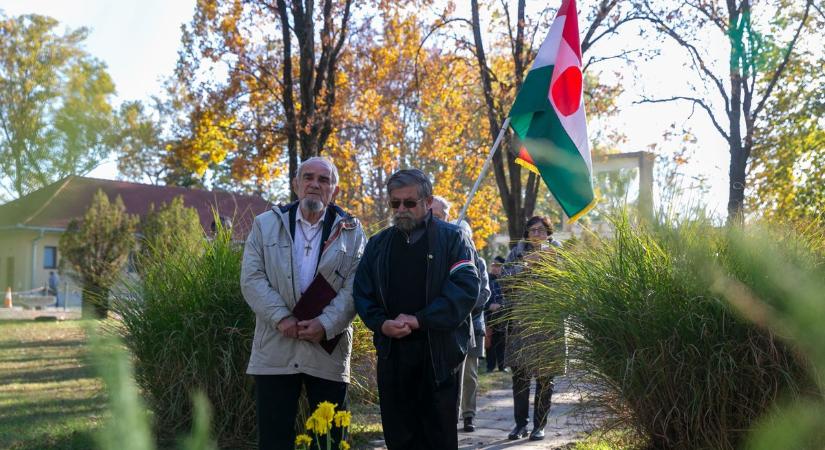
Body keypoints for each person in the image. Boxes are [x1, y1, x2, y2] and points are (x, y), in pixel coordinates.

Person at [240, 157, 366, 450]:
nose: (315, 184)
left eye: (324, 180)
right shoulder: (265, 224)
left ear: (334, 190)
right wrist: (282, 318)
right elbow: (251, 278)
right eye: (308, 177)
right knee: (274, 439)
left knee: (330, 439)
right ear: (296, 185)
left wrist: (326, 324)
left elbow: (356, 286)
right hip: (275, 346)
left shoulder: (353, 231)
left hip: (327, 349)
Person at [354, 169, 480, 449]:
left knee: (438, 440)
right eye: (395, 203)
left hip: (438, 359)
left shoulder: (454, 239)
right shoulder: (378, 244)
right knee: (399, 438)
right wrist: (380, 323)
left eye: (409, 203)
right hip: (393, 356)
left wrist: (420, 320)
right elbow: (362, 293)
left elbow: (465, 289)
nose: (401, 210)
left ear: (428, 201)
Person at [430, 196, 491, 433]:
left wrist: (459, 305)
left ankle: (468, 415)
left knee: (469, 375)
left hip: (472, 324)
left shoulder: (479, 261)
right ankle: (449, 416)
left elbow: (483, 293)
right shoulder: (444, 252)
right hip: (444, 325)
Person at [502, 216, 563, 441]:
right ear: (526, 234)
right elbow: (504, 281)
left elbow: (568, 283)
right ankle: (520, 425)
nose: (536, 234)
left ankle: (540, 425)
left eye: (541, 230)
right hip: (521, 323)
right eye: (532, 230)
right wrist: (526, 264)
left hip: (548, 326)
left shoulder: (558, 254)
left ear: (548, 233)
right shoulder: (516, 253)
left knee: (546, 377)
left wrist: (551, 264)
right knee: (520, 376)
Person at [485, 256, 507, 373]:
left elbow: (510, 297)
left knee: (502, 341)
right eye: (493, 265)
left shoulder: (507, 280)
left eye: (497, 265)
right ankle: (490, 366)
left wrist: (502, 306)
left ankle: (502, 366)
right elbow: (482, 296)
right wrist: (489, 306)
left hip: (504, 315)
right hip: (489, 315)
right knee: (490, 340)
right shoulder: (487, 279)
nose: (494, 268)